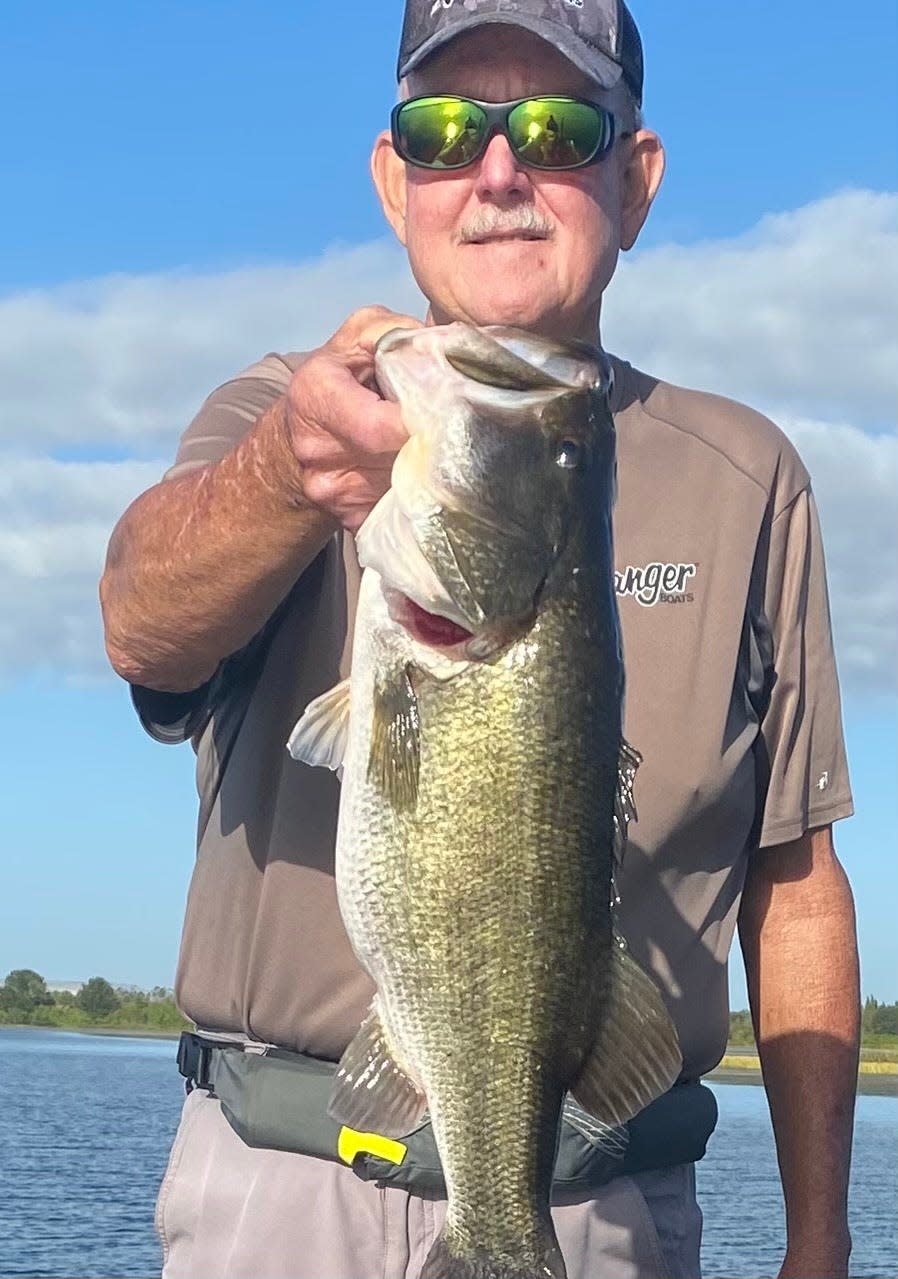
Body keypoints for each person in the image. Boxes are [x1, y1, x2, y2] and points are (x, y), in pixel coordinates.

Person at [100, 2, 861, 1277]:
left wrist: (820, 1239)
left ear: (635, 174)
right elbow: (140, 624)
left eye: (557, 130)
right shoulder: (285, 413)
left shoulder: (750, 478)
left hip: (605, 1204)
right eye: (447, 131)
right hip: (283, 1198)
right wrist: (285, 478)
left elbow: (794, 882)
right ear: (395, 180)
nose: (499, 172)